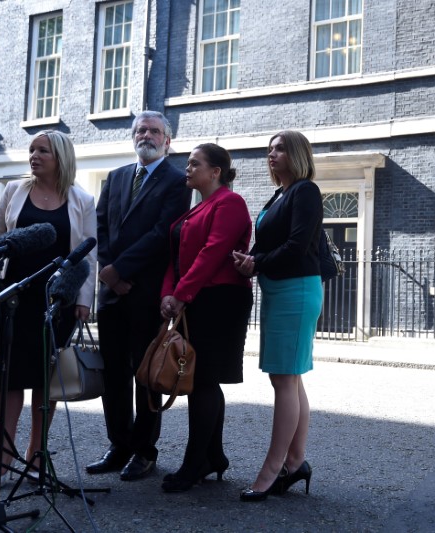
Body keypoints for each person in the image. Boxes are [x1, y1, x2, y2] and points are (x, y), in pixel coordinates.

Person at [0, 130, 97, 490]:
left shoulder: (81, 199)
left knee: (46, 383)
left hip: (55, 303)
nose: (34, 155)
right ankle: (3, 458)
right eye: (31, 150)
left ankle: (35, 457)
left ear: (60, 157)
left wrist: (83, 299)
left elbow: (88, 253)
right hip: (13, 299)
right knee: (8, 379)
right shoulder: (14, 192)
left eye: (42, 150)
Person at [89, 110, 191, 482]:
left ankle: (144, 451)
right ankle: (119, 444)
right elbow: (99, 226)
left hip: (147, 293)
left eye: (154, 131)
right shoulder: (115, 178)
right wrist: (109, 272)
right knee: (112, 372)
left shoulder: (179, 181)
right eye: (140, 130)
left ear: (167, 140)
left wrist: (122, 270)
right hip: (113, 293)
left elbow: (163, 233)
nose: (145, 135)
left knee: (147, 373)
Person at [233, 130, 322, 501]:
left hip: (296, 290)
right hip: (278, 289)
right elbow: (270, 241)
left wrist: (257, 262)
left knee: (284, 378)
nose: (272, 154)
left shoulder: (305, 191)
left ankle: (272, 468)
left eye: (281, 148)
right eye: (269, 149)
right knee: (289, 378)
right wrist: (248, 259)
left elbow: (298, 245)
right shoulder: (280, 194)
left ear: (297, 154)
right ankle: (295, 462)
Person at [159, 143, 253, 493]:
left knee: (202, 380)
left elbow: (213, 253)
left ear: (215, 172)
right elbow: (176, 257)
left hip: (221, 299)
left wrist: (181, 294)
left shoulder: (230, 202)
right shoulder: (195, 209)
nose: (187, 169)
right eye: (187, 164)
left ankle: (195, 463)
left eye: (194, 164)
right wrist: (168, 293)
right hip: (196, 296)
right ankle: (212, 456)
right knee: (203, 380)